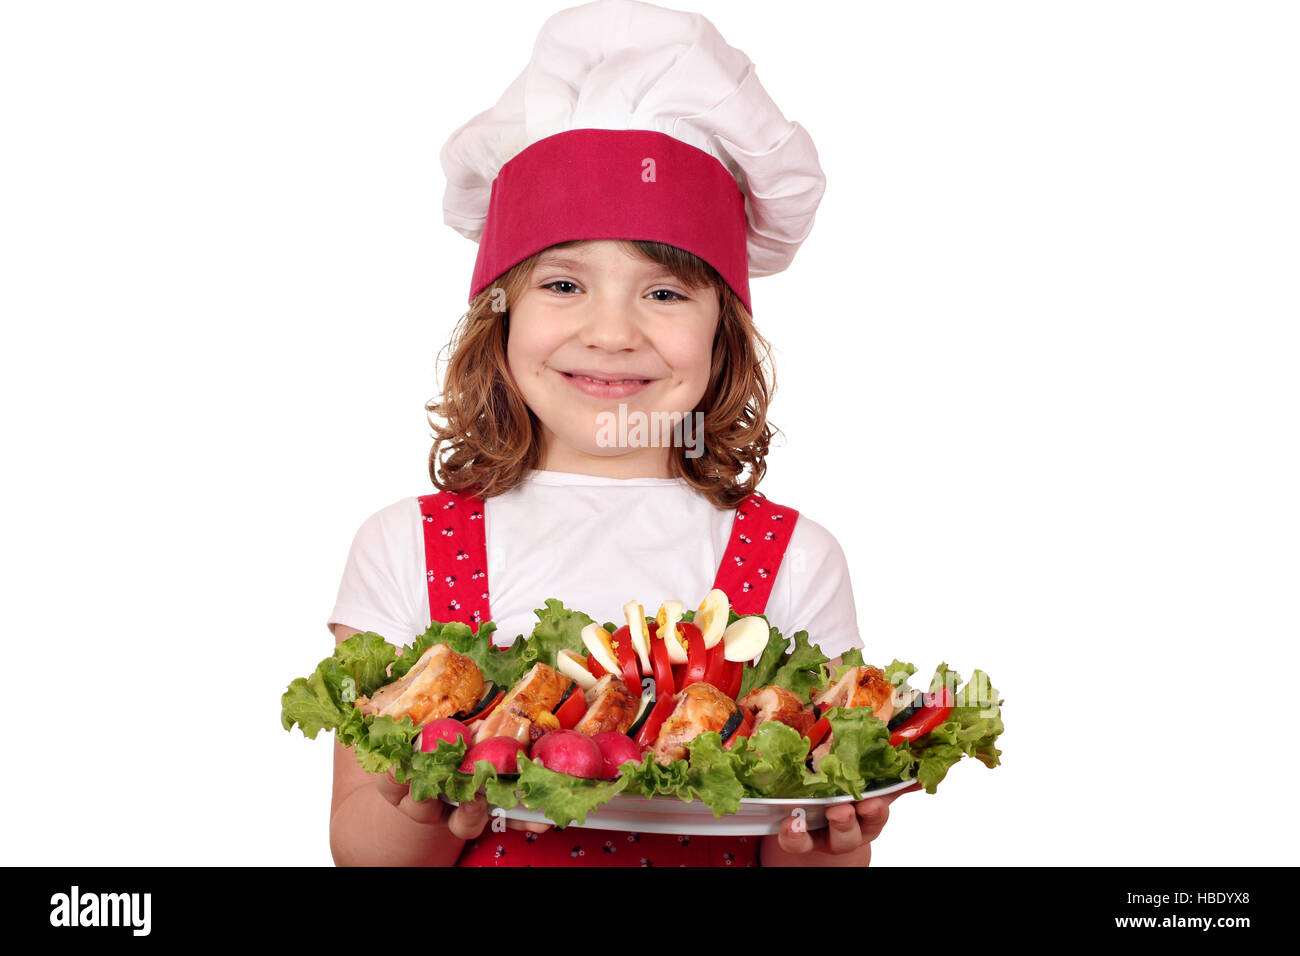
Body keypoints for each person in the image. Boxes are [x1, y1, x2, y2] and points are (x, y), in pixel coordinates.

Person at [325, 0, 919, 867]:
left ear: (726, 333)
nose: (611, 333)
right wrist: (417, 806)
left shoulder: (797, 559)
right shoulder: (405, 547)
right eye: (563, 285)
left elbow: (804, 848)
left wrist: (822, 839)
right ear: (499, 316)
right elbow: (359, 852)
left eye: (666, 292)